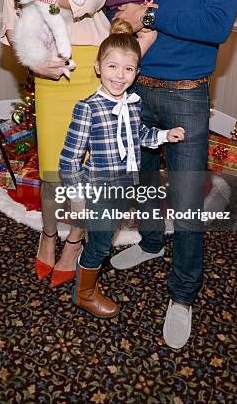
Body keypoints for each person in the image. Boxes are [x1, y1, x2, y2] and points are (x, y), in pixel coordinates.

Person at [112, 0, 237, 349]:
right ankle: (148, 241)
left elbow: (214, 24)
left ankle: (184, 293)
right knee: (143, 179)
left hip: (188, 92)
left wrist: (148, 11)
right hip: (137, 87)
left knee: (187, 201)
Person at [0, 0, 111, 288]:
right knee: (52, 167)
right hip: (48, 67)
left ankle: (74, 242)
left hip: (91, 68)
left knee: (83, 170)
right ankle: (49, 236)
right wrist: (33, 62)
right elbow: (11, 19)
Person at [59, 19, 185, 318]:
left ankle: (86, 278)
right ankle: (84, 293)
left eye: (128, 69)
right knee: (101, 246)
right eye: (112, 67)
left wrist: (165, 136)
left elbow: (140, 135)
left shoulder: (132, 103)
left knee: (104, 237)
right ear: (98, 68)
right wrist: (77, 198)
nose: (120, 75)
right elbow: (69, 159)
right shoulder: (87, 107)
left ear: (136, 72)